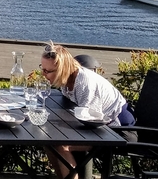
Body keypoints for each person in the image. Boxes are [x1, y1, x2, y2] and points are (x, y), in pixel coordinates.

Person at [41, 42, 134, 179]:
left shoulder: (85, 84)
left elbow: (91, 126)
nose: (44, 74)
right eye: (42, 69)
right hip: (102, 128)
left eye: (48, 71)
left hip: (119, 131)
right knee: (49, 142)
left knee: (62, 146)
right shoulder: (68, 79)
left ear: (62, 70)